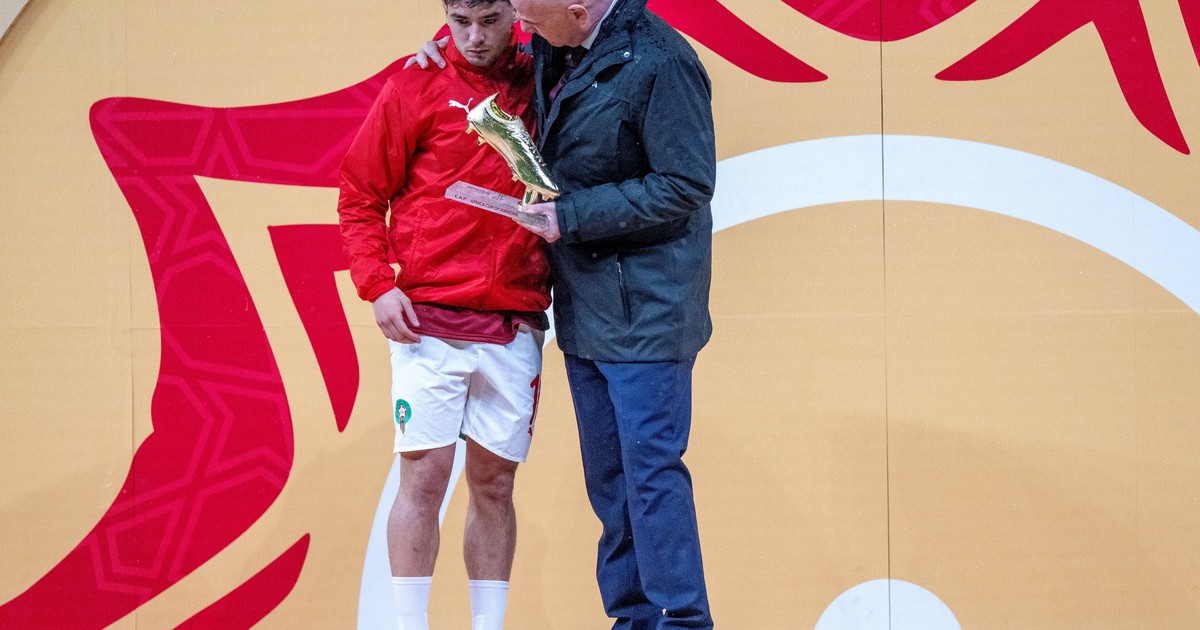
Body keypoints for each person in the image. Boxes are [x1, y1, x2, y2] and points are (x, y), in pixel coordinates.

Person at [413, 0, 717, 627]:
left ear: (577, 11)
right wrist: (440, 50)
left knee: (650, 477)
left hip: (649, 312)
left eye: (528, 18)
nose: (520, 30)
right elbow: (492, 50)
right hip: (587, 304)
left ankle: (683, 622)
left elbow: (686, 184)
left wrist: (570, 216)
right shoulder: (563, 42)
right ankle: (633, 618)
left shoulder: (661, 61)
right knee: (611, 483)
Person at [336, 1, 550, 629]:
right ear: (445, 17)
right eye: (460, 21)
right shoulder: (415, 85)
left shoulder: (546, 79)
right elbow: (360, 195)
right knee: (424, 477)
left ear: (515, 12)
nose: (475, 37)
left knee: (495, 484)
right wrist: (377, 285)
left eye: (490, 19)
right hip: (427, 320)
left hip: (514, 318)